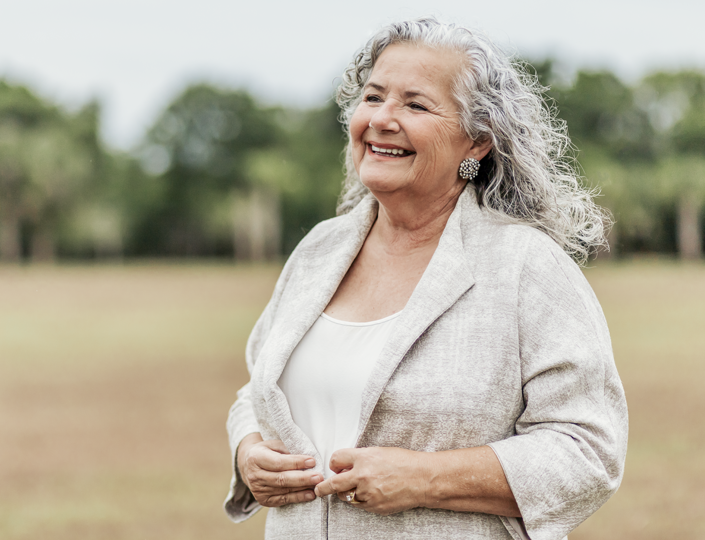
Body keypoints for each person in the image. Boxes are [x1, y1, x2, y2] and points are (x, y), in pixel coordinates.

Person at [224, 17, 627, 540]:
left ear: (476, 143)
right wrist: (248, 451)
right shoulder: (318, 251)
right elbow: (255, 389)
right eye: (373, 97)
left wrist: (422, 479)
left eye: (415, 105)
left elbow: (588, 451)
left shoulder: (528, 266)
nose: (382, 119)